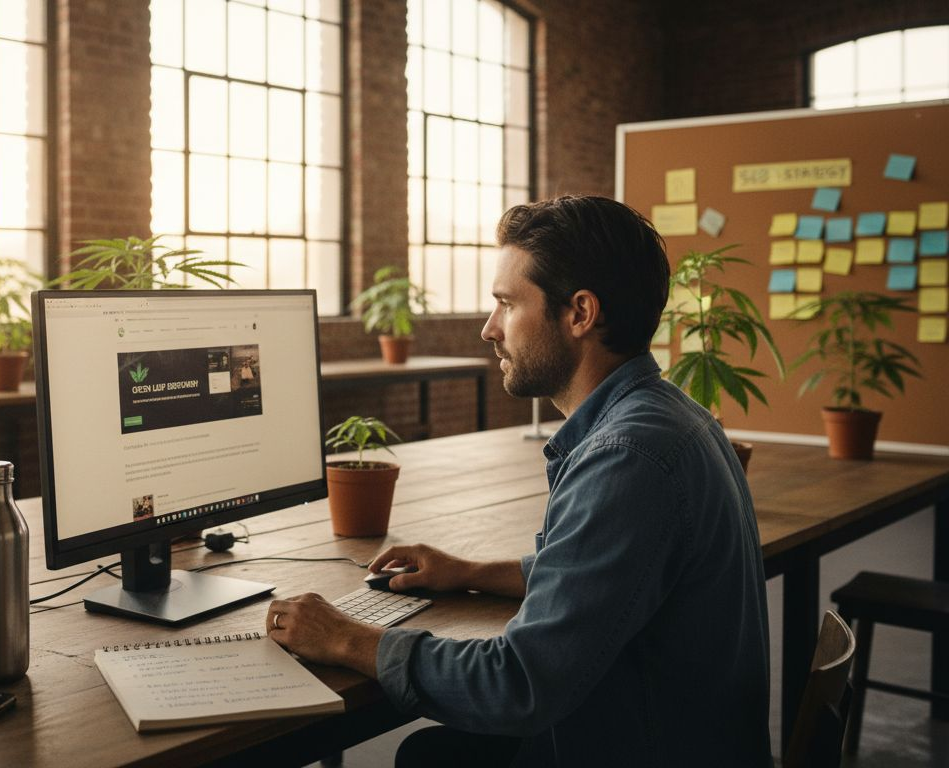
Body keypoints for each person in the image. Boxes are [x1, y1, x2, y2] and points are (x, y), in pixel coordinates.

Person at [266, 195, 771, 766]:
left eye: (506, 304)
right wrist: (471, 572)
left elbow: (518, 685)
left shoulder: (627, 457)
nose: (488, 329)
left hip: (644, 745)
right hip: (668, 729)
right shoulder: (669, 414)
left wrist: (345, 637)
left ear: (580, 313)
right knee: (431, 755)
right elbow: (599, 577)